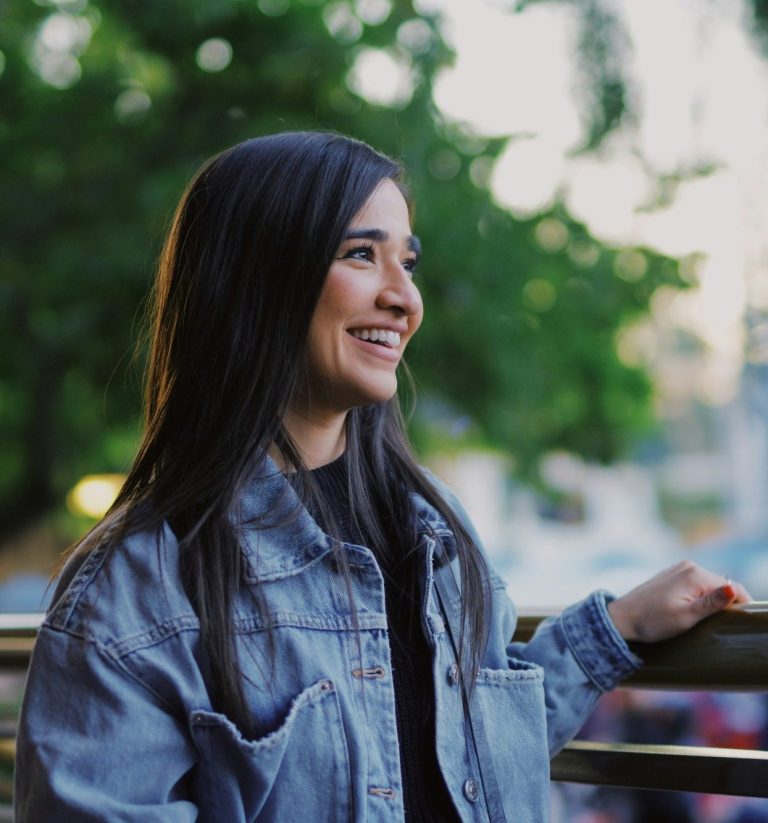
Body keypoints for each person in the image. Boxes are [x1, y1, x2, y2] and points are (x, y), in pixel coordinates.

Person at [15, 132, 750, 822]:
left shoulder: (436, 530)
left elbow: (460, 758)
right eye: (362, 255)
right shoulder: (137, 588)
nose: (404, 298)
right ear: (256, 280)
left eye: (409, 261)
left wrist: (609, 633)